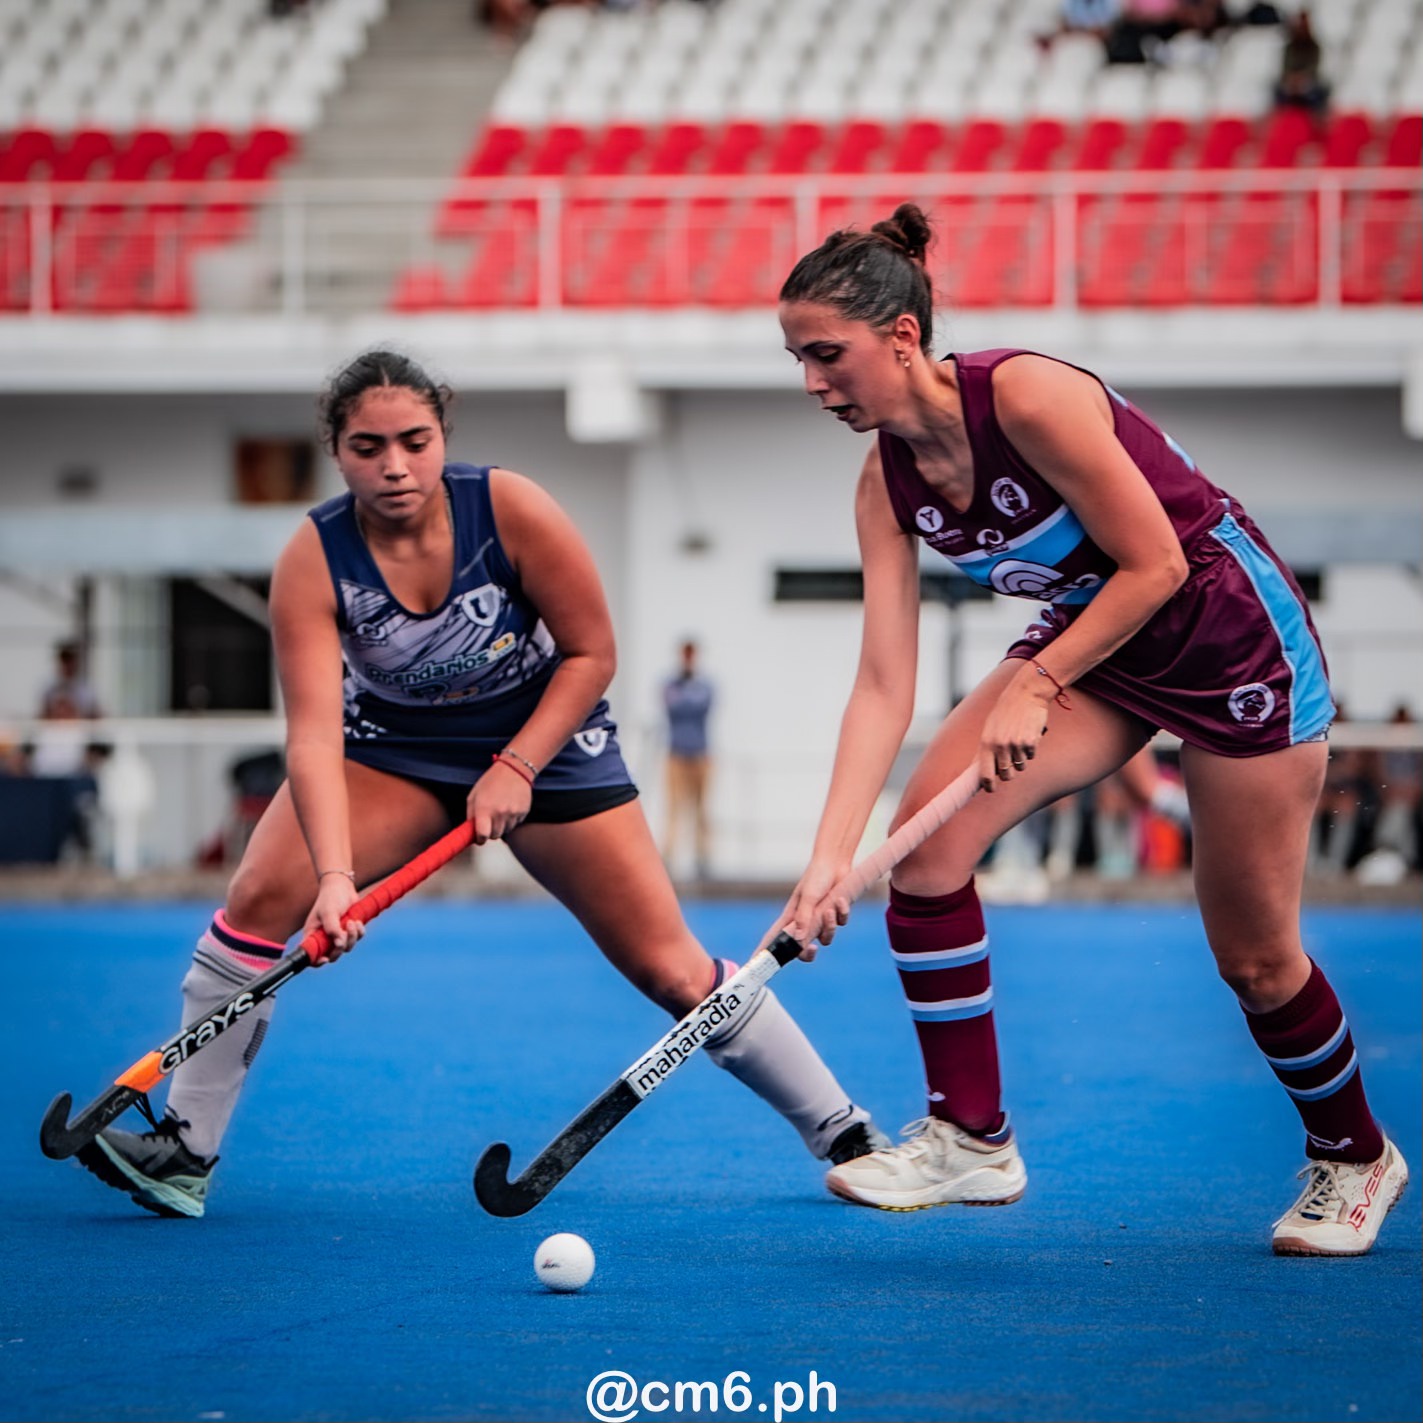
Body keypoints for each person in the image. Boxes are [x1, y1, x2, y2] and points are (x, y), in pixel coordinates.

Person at [75, 348, 886, 1219]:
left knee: (672, 970)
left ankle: (846, 1134)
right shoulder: (314, 559)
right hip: (395, 748)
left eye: (414, 441)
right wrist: (337, 878)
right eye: (367, 447)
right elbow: (311, 735)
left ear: (443, 434)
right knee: (259, 895)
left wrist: (518, 764)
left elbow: (591, 653)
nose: (394, 465)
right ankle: (186, 1149)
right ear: (336, 452)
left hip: (550, 743)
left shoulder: (509, 510)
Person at [774, 205, 1407, 1256]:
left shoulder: (1026, 395)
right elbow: (882, 683)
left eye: (826, 354)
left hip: (1227, 638)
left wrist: (1036, 680)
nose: (810, 382)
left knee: (1254, 958)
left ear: (901, 336)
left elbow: (1157, 562)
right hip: (1097, 645)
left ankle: (1354, 1154)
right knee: (922, 860)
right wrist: (829, 857)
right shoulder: (885, 483)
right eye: (797, 359)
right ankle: (972, 1139)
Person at [662, 638, 715, 880]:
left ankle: (703, 856)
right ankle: (669, 856)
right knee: (674, 808)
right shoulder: (670, 684)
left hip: (701, 754)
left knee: (702, 809)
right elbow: (676, 708)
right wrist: (688, 696)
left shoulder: (704, 685)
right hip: (676, 755)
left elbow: (701, 707)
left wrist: (687, 697)